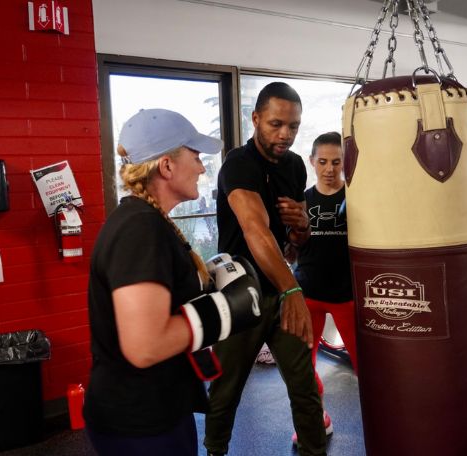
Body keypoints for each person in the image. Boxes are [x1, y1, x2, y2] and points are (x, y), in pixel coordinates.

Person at [84, 108, 263, 455]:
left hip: (155, 408)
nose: (201, 166)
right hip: (139, 421)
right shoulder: (140, 228)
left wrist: (204, 285)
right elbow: (145, 346)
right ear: (166, 166)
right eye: (195, 156)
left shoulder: (147, 220)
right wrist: (225, 312)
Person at [204, 82, 327, 456]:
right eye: (276, 124)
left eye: (293, 126)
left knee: (303, 384)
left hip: (279, 288)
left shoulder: (293, 167)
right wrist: (294, 291)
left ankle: (313, 450)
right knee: (225, 390)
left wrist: (302, 227)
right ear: (256, 119)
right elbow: (254, 229)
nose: (285, 134)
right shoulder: (238, 165)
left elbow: (292, 245)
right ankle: (214, 451)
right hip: (240, 294)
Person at [291, 131, 358, 444]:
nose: (329, 168)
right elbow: (289, 247)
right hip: (309, 295)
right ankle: (316, 417)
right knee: (304, 364)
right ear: (312, 162)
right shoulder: (301, 201)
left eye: (336, 162)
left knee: (367, 366)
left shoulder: (356, 197)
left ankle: (387, 420)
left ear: (344, 162)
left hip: (346, 295)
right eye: (322, 162)